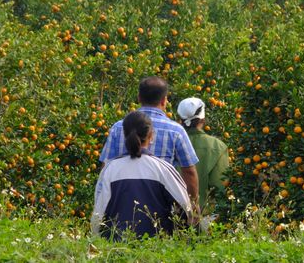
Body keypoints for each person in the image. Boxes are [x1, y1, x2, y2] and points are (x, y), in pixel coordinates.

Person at [99, 77, 200, 206]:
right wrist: (193, 207)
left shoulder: (118, 127)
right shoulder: (176, 131)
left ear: (139, 98)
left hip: (121, 205)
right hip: (160, 208)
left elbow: (105, 169)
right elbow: (189, 172)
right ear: (164, 100)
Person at [91, 111, 192, 240]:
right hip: (157, 248)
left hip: (117, 248)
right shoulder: (163, 169)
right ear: (151, 136)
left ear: (125, 134)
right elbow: (185, 206)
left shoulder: (110, 169)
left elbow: (98, 213)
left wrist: (96, 240)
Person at [177, 97, 229, 210]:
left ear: (180, 120)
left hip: (172, 216)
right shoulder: (218, 146)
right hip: (204, 217)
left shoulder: (172, 143)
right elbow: (220, 186)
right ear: (203, 120)